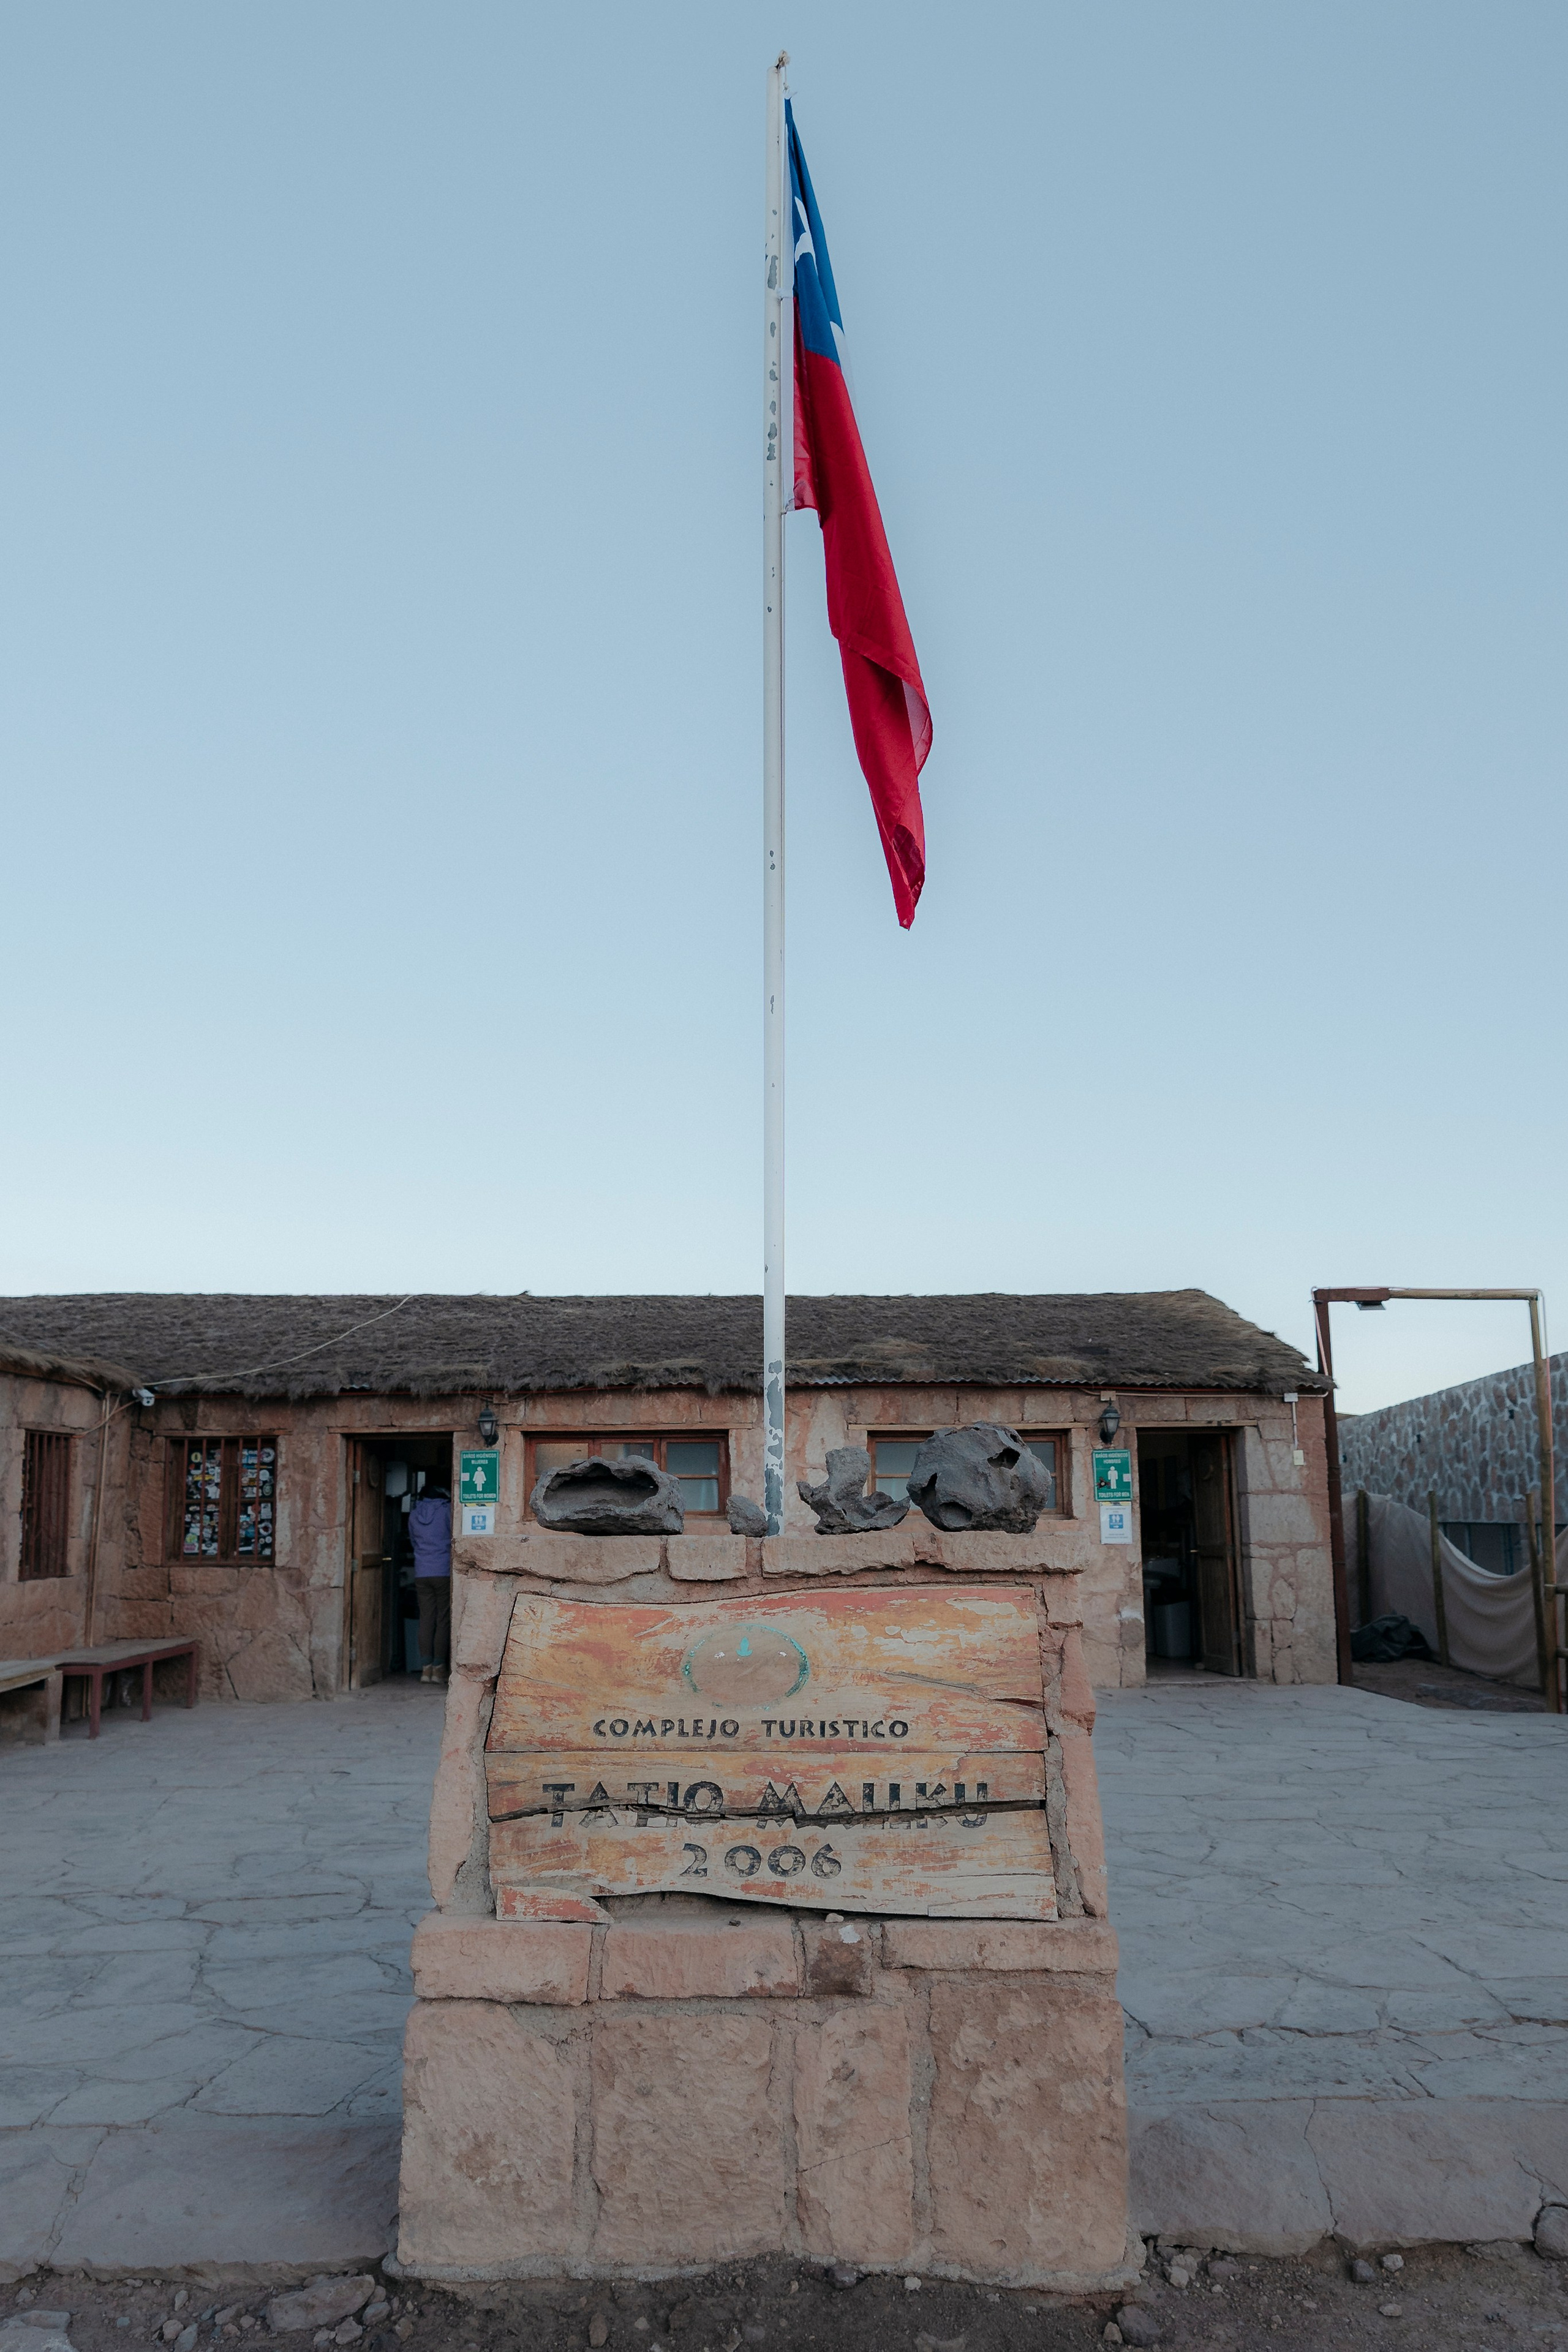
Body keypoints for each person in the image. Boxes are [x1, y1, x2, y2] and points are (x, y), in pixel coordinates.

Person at [408, 1482, 453, 1684]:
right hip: (442, 1571)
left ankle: (425, 1670)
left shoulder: (414, 1514)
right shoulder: (447, 1511)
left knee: (426, 1618)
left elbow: (414, 1542)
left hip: (421, 1571)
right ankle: (439, 1668)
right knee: (442, 1619)